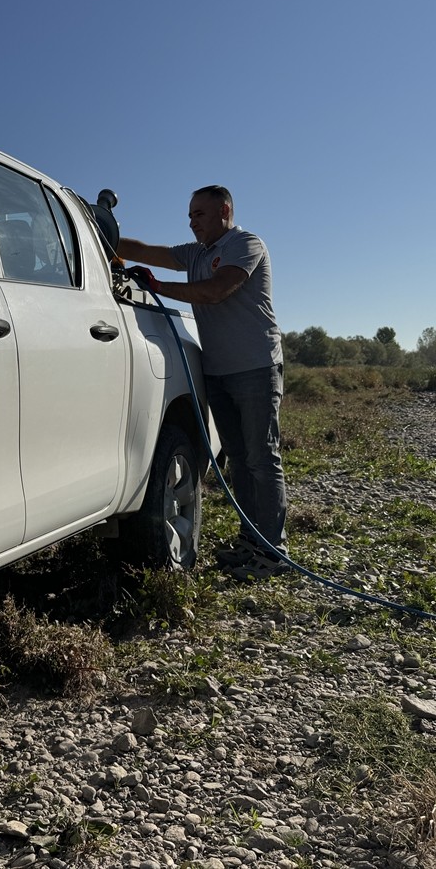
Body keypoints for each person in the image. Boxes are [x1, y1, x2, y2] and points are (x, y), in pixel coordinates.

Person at [118, 185, 288, 581]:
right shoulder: (195, 253)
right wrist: (99, 229)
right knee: (238, 459)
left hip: (255, 367)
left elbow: (215, 290)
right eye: (190, 215)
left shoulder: (244, 244)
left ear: (224, 211)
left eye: (200, 214)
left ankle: (273, 551)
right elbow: (147, 250)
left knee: (261, 458)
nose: (192, 222)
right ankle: (251, 539)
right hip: (218, 370)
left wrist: (158, 287)